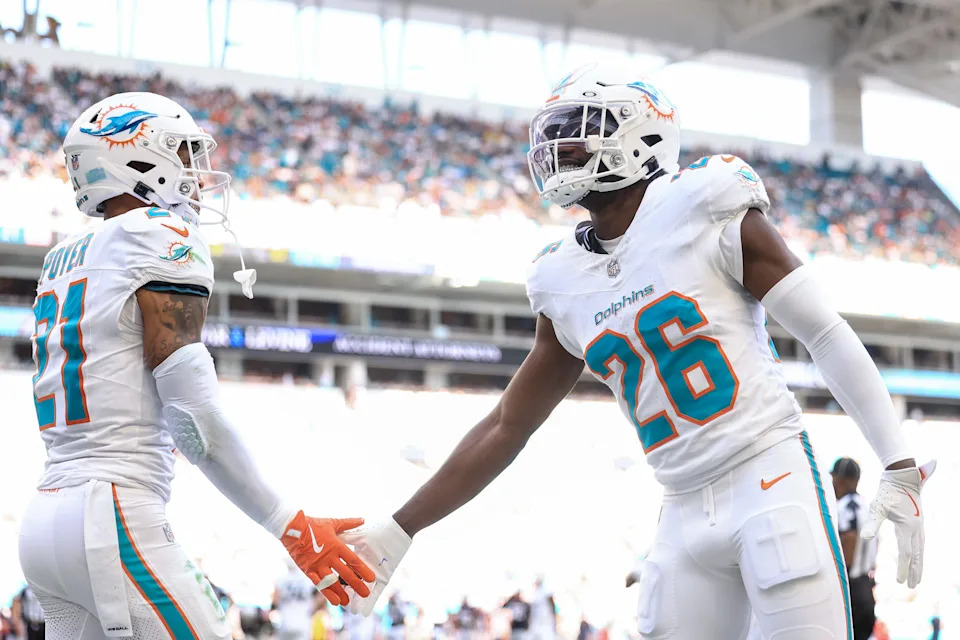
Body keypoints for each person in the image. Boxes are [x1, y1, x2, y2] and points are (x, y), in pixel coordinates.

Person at [338, 63, 934, 638]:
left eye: (579, 128)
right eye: (554, 134)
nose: (559, 147)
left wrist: (898, 462)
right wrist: (400, 527)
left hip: (770, 475)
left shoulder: (705, 202)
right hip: (680, 503)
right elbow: (506, 425)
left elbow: (823, 331)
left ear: (642, 134)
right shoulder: (562, 278)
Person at [17, 92, 373, 639]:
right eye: (183, 156)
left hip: (46, 520)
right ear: (138, 159)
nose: (196, 176)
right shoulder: (159, 234)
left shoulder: (62, 256)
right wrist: (290, 524)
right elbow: (193, 421)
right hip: (112, 513)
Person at [831, 457, 877, 640]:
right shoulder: (868, 508)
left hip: (850, 591)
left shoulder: (844, 507)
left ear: (841, 479)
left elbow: (849, 538)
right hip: (866, 589)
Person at [274, 559, 319, 640]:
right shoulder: (307, 578)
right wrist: (312, 609)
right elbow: (320, 595)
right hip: (303, 622)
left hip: (285, 623)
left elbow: (275, 599)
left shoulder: (281, 579)